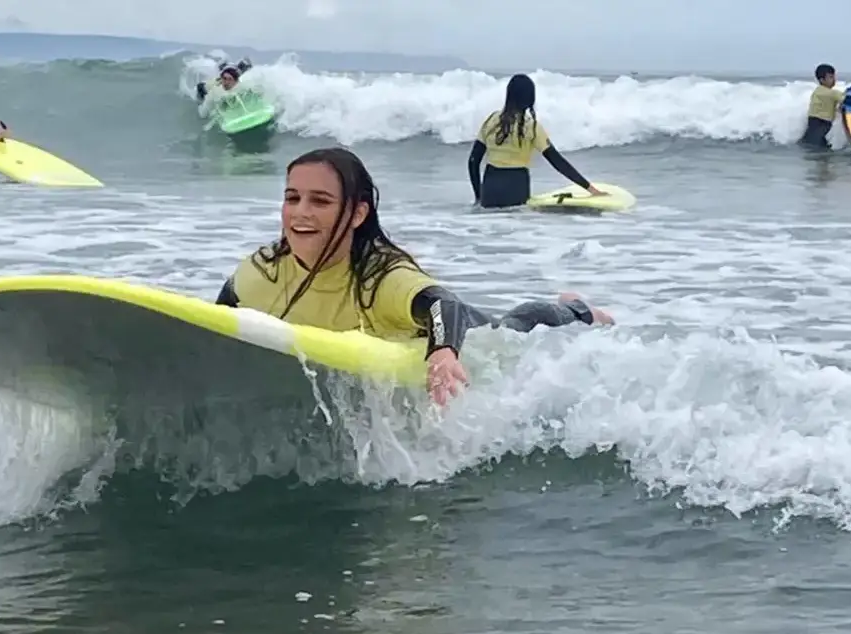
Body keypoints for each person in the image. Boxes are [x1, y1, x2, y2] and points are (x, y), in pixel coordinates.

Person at [215, 146, 614, 405]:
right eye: (292, 198)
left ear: (356, 213)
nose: (300, 212)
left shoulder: (380, 275)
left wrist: (443, 352)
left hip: (468, 333)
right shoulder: (262, 269)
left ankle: (577, 310)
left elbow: (444, 305)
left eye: (320, 201)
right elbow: (221, 312)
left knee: (518, 323)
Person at [468, 73, 604, 209]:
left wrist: (479, 197)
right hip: (515, 192)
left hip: (490, 193)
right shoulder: (531, 127)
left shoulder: (491, 121)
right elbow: (557, 161)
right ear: (530, 98)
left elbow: (473, 161)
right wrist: (590, 189)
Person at [801, 63, 844, 150]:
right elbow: (847, 99)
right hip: (822, 126)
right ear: (822, 80)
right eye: (831, 77)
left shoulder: (816, 92)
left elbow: (825, 106)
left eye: (834, 76)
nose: (834, 80)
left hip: (811, 126)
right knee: (822, 154)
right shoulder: (832, 93)